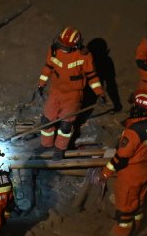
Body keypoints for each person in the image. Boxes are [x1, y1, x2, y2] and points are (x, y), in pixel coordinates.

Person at [99, 92, 147, 236]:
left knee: (125, 207)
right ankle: (135, 230)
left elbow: (121, 158)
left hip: (131, 173)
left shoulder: (134, 132)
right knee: (139, 203)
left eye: (135, 105)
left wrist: (105, 173)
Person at [35, 26, 107, 157]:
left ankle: (60, 148)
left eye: (65, 47)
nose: (62, 48)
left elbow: (92, 77)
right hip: (55, 91)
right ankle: (46, 145)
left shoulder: (84, 56)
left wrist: (99, 93)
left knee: (66, 126)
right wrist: (41, 84)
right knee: (46, 120)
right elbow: (48, 68)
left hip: (73, 95)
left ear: (75, 45)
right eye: (61, 44)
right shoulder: (54, 50)